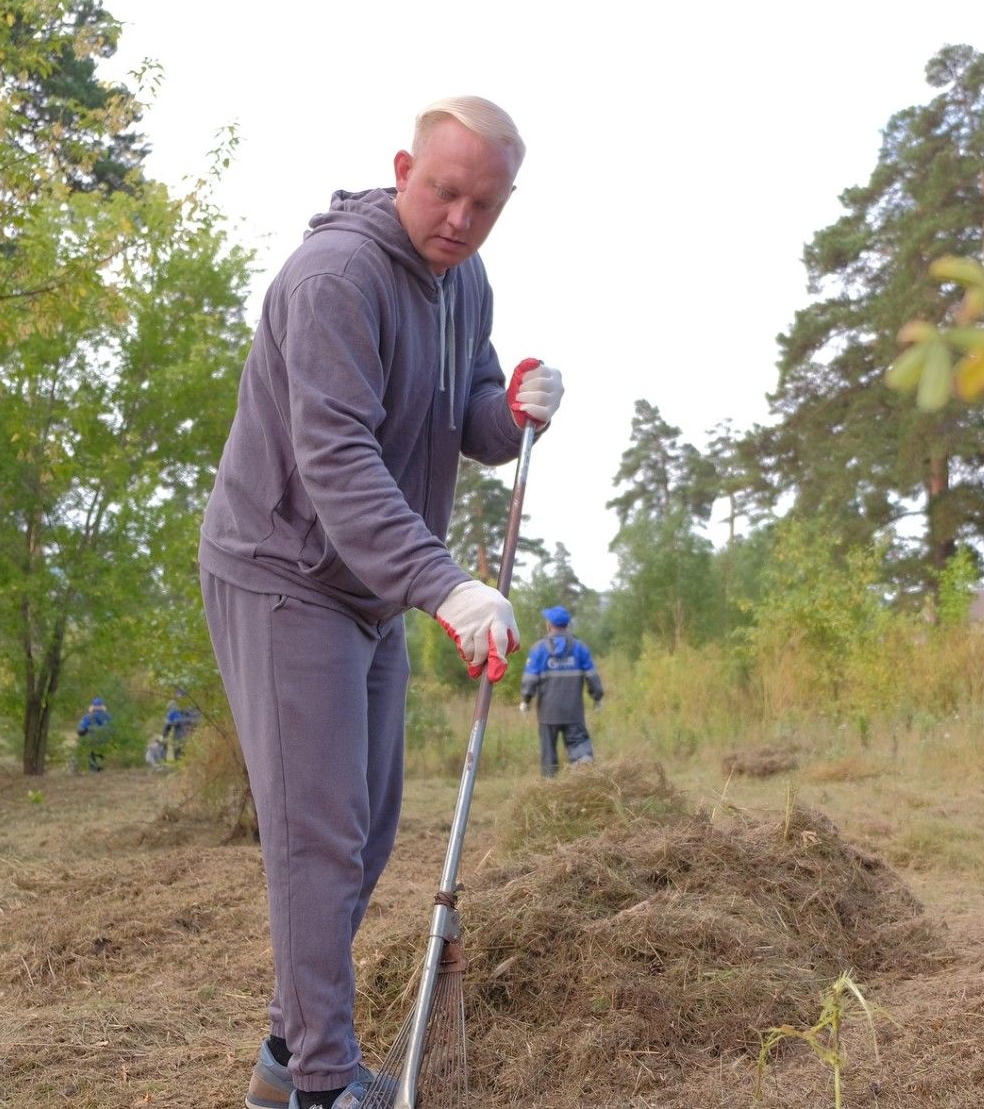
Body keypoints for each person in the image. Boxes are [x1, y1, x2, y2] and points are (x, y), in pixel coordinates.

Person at [198, 96, 563, 1109]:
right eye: (445, 191)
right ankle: (321, 1082)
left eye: (483, 205)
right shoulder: (335, 280)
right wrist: (445, 585)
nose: (459, 217)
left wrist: (517, 404)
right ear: (404, 167)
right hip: (283, 569)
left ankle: (286, 1051)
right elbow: (338, 463)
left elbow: (469, 414)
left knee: (367, 826)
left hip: (366, 586)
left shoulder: (464, 281)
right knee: (318, 832)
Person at [519, 605, 604, 776]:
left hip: (548, 714)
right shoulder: (580, 648)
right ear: (566, 625)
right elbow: (593, 677)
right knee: (581, 754)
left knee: (548, 757)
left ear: (549, 624)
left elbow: (529, 680)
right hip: (573, 712)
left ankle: (550, 791)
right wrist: (597, 697)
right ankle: (583, 785)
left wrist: (525, 701)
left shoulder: (539, 649)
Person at [75, 696, 112, 772]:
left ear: (92, 706)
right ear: (103, 706)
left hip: (92, 742)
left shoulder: (88, 717)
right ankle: (102, 766)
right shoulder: (109, 716)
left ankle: (92, 768)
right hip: (107, 743)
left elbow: (80, 730)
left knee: (86, 747)